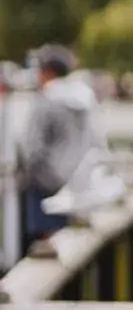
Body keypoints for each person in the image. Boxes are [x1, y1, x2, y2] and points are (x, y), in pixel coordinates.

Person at [9, 45, 105, 244]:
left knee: (46, 246)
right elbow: (97, 142)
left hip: (47, 189)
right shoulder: (85, 97)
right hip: (79, 186)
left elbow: (32, 149)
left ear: (48, 72)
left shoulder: (46, 99)